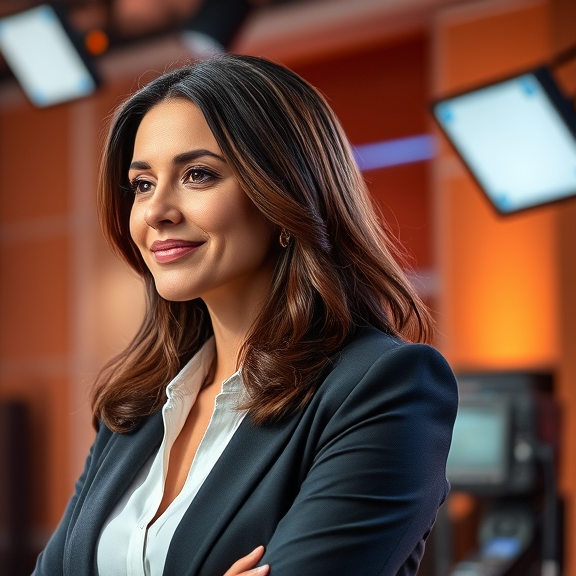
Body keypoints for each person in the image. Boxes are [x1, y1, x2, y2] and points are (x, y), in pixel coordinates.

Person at [32, 55, 457, 576]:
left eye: (198, 175)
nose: (156, 211)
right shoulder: (136, 403)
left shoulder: (385, 387)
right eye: (142, 184)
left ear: (284, 195)